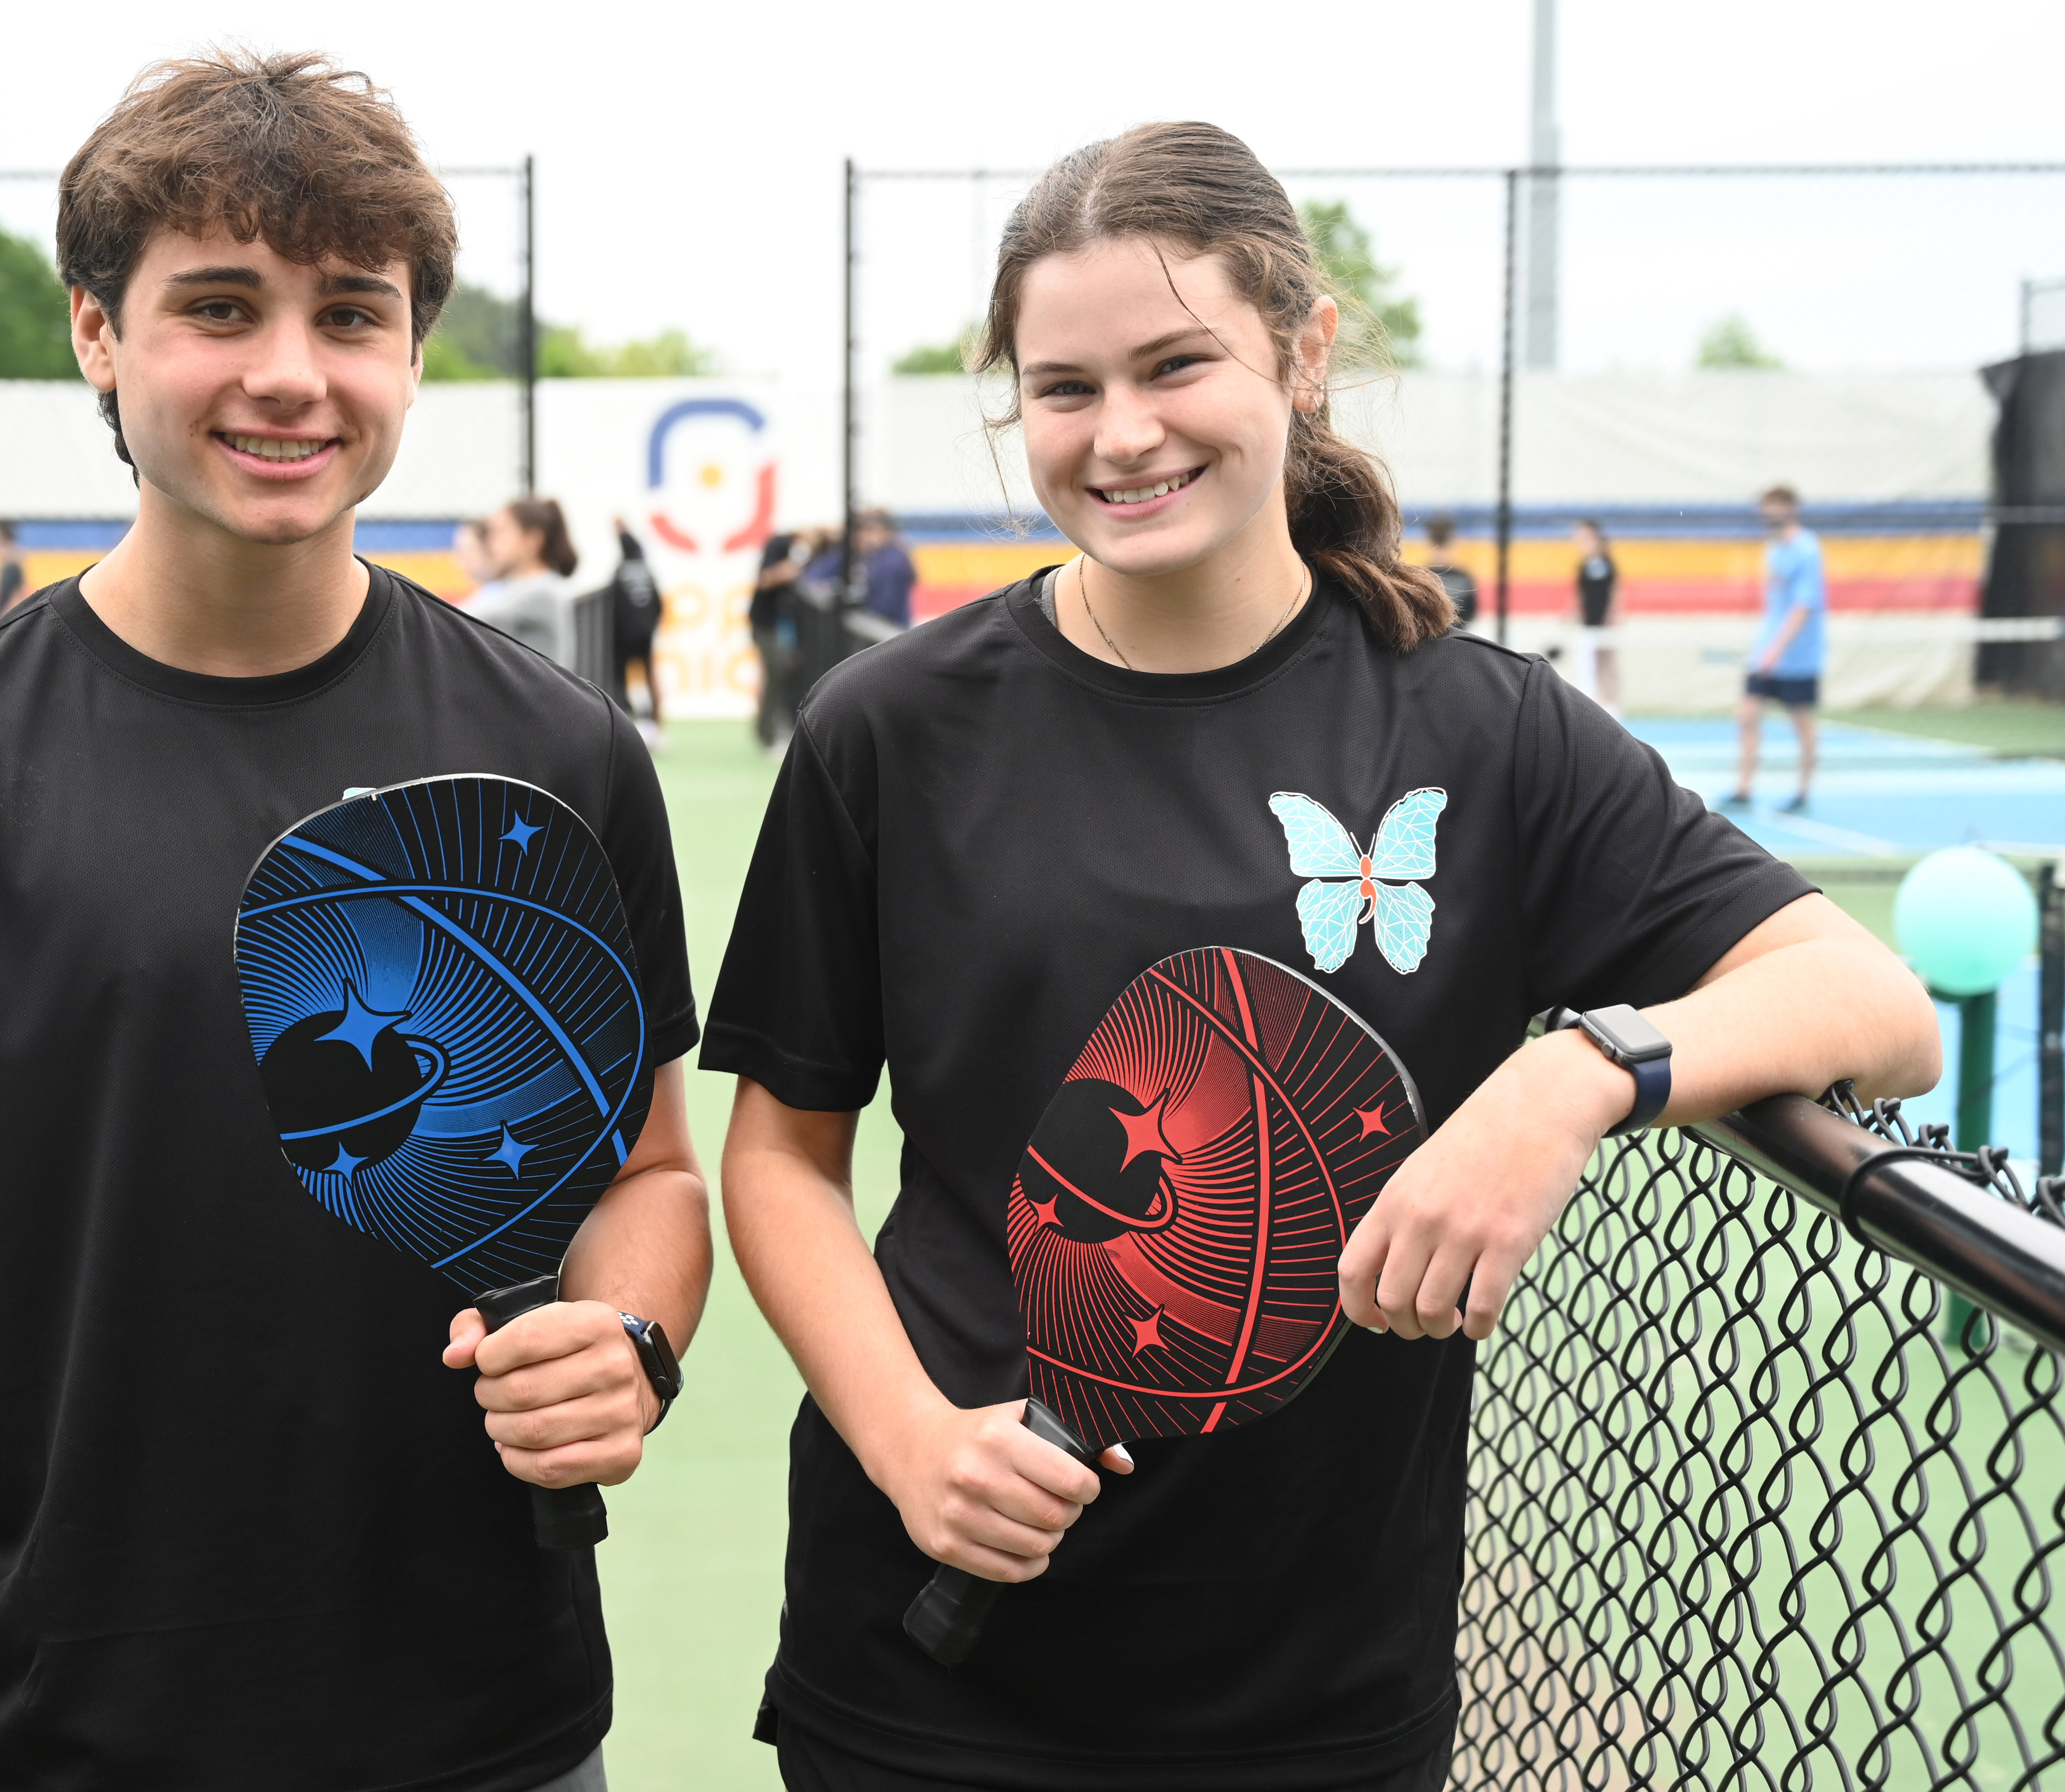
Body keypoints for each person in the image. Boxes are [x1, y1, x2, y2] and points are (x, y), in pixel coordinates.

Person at [703, 122, 1938, 1792]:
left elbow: (1871, 1005)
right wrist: (907, 1436)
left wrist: (1569, 1075)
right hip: (927, 1662)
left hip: (1316, 1685)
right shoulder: (888, 729)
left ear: (1298, 349)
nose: (1119, 432)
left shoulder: (1483, 730)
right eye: (1061, 388)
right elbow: (779, 1152)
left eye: (1172, 364)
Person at [0, 52, 706, 1792]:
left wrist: (629, 1341)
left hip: (496, 1732)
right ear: (97, 334)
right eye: (217, 306)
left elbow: (648, 1174)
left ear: (413, 352)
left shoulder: (560, 756)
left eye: (352, 313)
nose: (289, 372)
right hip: (71, 1739)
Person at [1727, 485, 1824, 813]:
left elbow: (1802, 607)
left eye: (1773, 508)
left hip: (1798, 658)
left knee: (1802, 723)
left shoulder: (1807, 550)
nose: (1767, 515)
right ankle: (1744, 788)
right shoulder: (1773, 550)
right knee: (1747, 715)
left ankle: (1803, 791)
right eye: (1764, 508)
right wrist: (1763, 649)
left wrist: (1777, 650)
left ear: (1790, 509)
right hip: (1766, 652)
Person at [467, 494, 578, 665]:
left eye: (500, 532)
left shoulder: (541, 591)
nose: (491, 543)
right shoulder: (518, 585)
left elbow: (463, 617)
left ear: (532, 540)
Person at [606, 518, 665, 746]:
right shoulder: (648, 571)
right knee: (650, 678)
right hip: (646, 634)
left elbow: (613, 608)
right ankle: (655, 726)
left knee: (621, 680)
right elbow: (659, 604)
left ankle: (625, 727)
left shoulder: (620, 572)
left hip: (624, 637)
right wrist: (651, 625)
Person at [749, 529, 807, 750]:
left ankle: (771, 732)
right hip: (767, 626)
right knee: (776, 676)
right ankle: (767, 735)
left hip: (776, 628)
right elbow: (765, 579)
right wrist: (790, 570)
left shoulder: (785, 546)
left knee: (779, 676)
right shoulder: (779, 546)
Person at [1573, 517, 1620, 713]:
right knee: (1588, 664)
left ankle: (1610, 703)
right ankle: (1589, 705)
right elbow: (1578, 593)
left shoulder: (1607, 563)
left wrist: (1613, 616)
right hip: (1588, 622)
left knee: (1606, 662)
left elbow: (1616, 591)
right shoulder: (1584, 565)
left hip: (1605, 622)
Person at [1423, 510, 1477, 628]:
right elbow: (1470, 613)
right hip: (1458, 639)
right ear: (1453, 536)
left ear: (1429, 537)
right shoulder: (1464, 577)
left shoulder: (1420, 577)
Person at [0, 521, 30, 621]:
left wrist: (3, 618)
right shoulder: (8, 560)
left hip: (4, 616)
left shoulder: (12, 563)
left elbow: (17, 593)